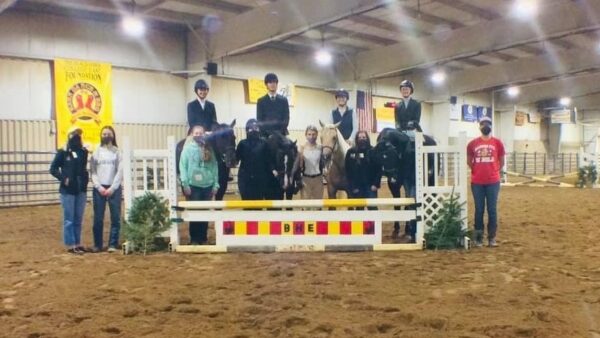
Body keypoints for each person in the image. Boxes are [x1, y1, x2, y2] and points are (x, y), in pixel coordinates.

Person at [49, 126, 89, 254]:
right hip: (68, 190)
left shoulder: (83, 152)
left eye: (79, 134)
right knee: (69, 219)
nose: (77, 136)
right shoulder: (63, 152)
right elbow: (53, 169)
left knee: (78, 218)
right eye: (75, 134)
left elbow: (83, 167)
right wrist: (63, 178)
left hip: (81, 189)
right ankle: (71, 245)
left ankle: (77, 243)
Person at [467, 116, 505, 247]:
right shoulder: (472, 144)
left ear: (491, 126)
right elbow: (469, 160)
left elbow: (501, 160)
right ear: (479, 127)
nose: (485, 126)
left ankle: (491, 238)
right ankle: (478, 238)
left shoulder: (498, 143)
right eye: (483, 124)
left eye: (487, 124)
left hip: (493, 182)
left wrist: (494, 171)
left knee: (492, 210)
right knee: (479, 210)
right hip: (477, 182)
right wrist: (477, 170)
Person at [179, 125, 219, 245]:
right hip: (193, 186)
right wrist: (185, 184)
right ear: (192, 134)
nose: (198, 135)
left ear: (203, 134)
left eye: (200, 133)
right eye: (196, 133)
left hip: (207, 186)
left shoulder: (209, 149)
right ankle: (194, 238)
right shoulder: (187, 149)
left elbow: (214, 168)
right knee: (195, 213)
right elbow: (183, 167)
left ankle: (203, 237)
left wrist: (215, 185)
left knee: (205, 213)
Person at [89, 126, 123, 253]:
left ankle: (113, 244)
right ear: (100, 136)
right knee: (98, 218)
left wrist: (112, 188)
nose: (106, 136)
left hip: (114, 188)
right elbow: (93, 171)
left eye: (108, 134)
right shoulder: (96, 152)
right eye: (104, 134)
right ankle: (97, 245)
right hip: (99, 189)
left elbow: (120, 172)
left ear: (113, 136)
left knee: (115, 217)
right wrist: (99, 187)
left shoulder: (117, 152)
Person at [236, 119, 275, 200]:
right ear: (247, 130)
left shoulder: (264, 143)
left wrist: (274, 171)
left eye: (256, 128)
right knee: (246, 205)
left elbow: (268, 161)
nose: (254, 130)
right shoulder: (242, 144)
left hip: (260, 180)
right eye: (251, 128)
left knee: (258, 205)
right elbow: (236, 160)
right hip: (245, 180)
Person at [345, 131, 381, 208]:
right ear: (356, 139)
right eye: (360, 137)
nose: (362, 139)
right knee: (359, 211)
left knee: (373, 209)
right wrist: (352, 187)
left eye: (364, 137)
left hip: (371, 187)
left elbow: (379, 169)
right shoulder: (350, 152)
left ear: (367, 138)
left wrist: (376, 184)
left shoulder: (373, 151)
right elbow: (348, 171)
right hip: (357, 188)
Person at [256, 73, 290, 137]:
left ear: (277, 84)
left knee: (291, 145)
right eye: (270, 82)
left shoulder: (284, 100)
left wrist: (278, 133)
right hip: (266, 135)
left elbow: (286, 118)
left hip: (281, 134)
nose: (272, 84)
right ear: (266, 85)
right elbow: (259, 120)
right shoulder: (261, 101)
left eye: (274, 82)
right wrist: (268, 134)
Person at [298, 125, 323, 200]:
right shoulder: (301, 148)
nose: (311, 136)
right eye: (309, 134)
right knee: (305, 205)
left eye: (313, 134)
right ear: (306, 135)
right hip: (305, 179)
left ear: (317, 135)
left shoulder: (321, 147)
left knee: (318, 204)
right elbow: (299, 165)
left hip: (318, 179)